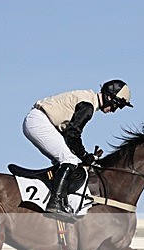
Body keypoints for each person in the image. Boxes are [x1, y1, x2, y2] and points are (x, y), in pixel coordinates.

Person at [23, 79, 132, 220]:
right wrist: (85, 156)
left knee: (65, 161)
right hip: (40, 122)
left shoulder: (88, 99)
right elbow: (72, 135)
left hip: (40, 121)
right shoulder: (88, 106)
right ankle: (55, 202)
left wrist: (84, 156)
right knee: (69, 160)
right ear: (109, 97)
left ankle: (57, 200)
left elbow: (71, 137)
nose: (114, 110)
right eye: (117, 105)